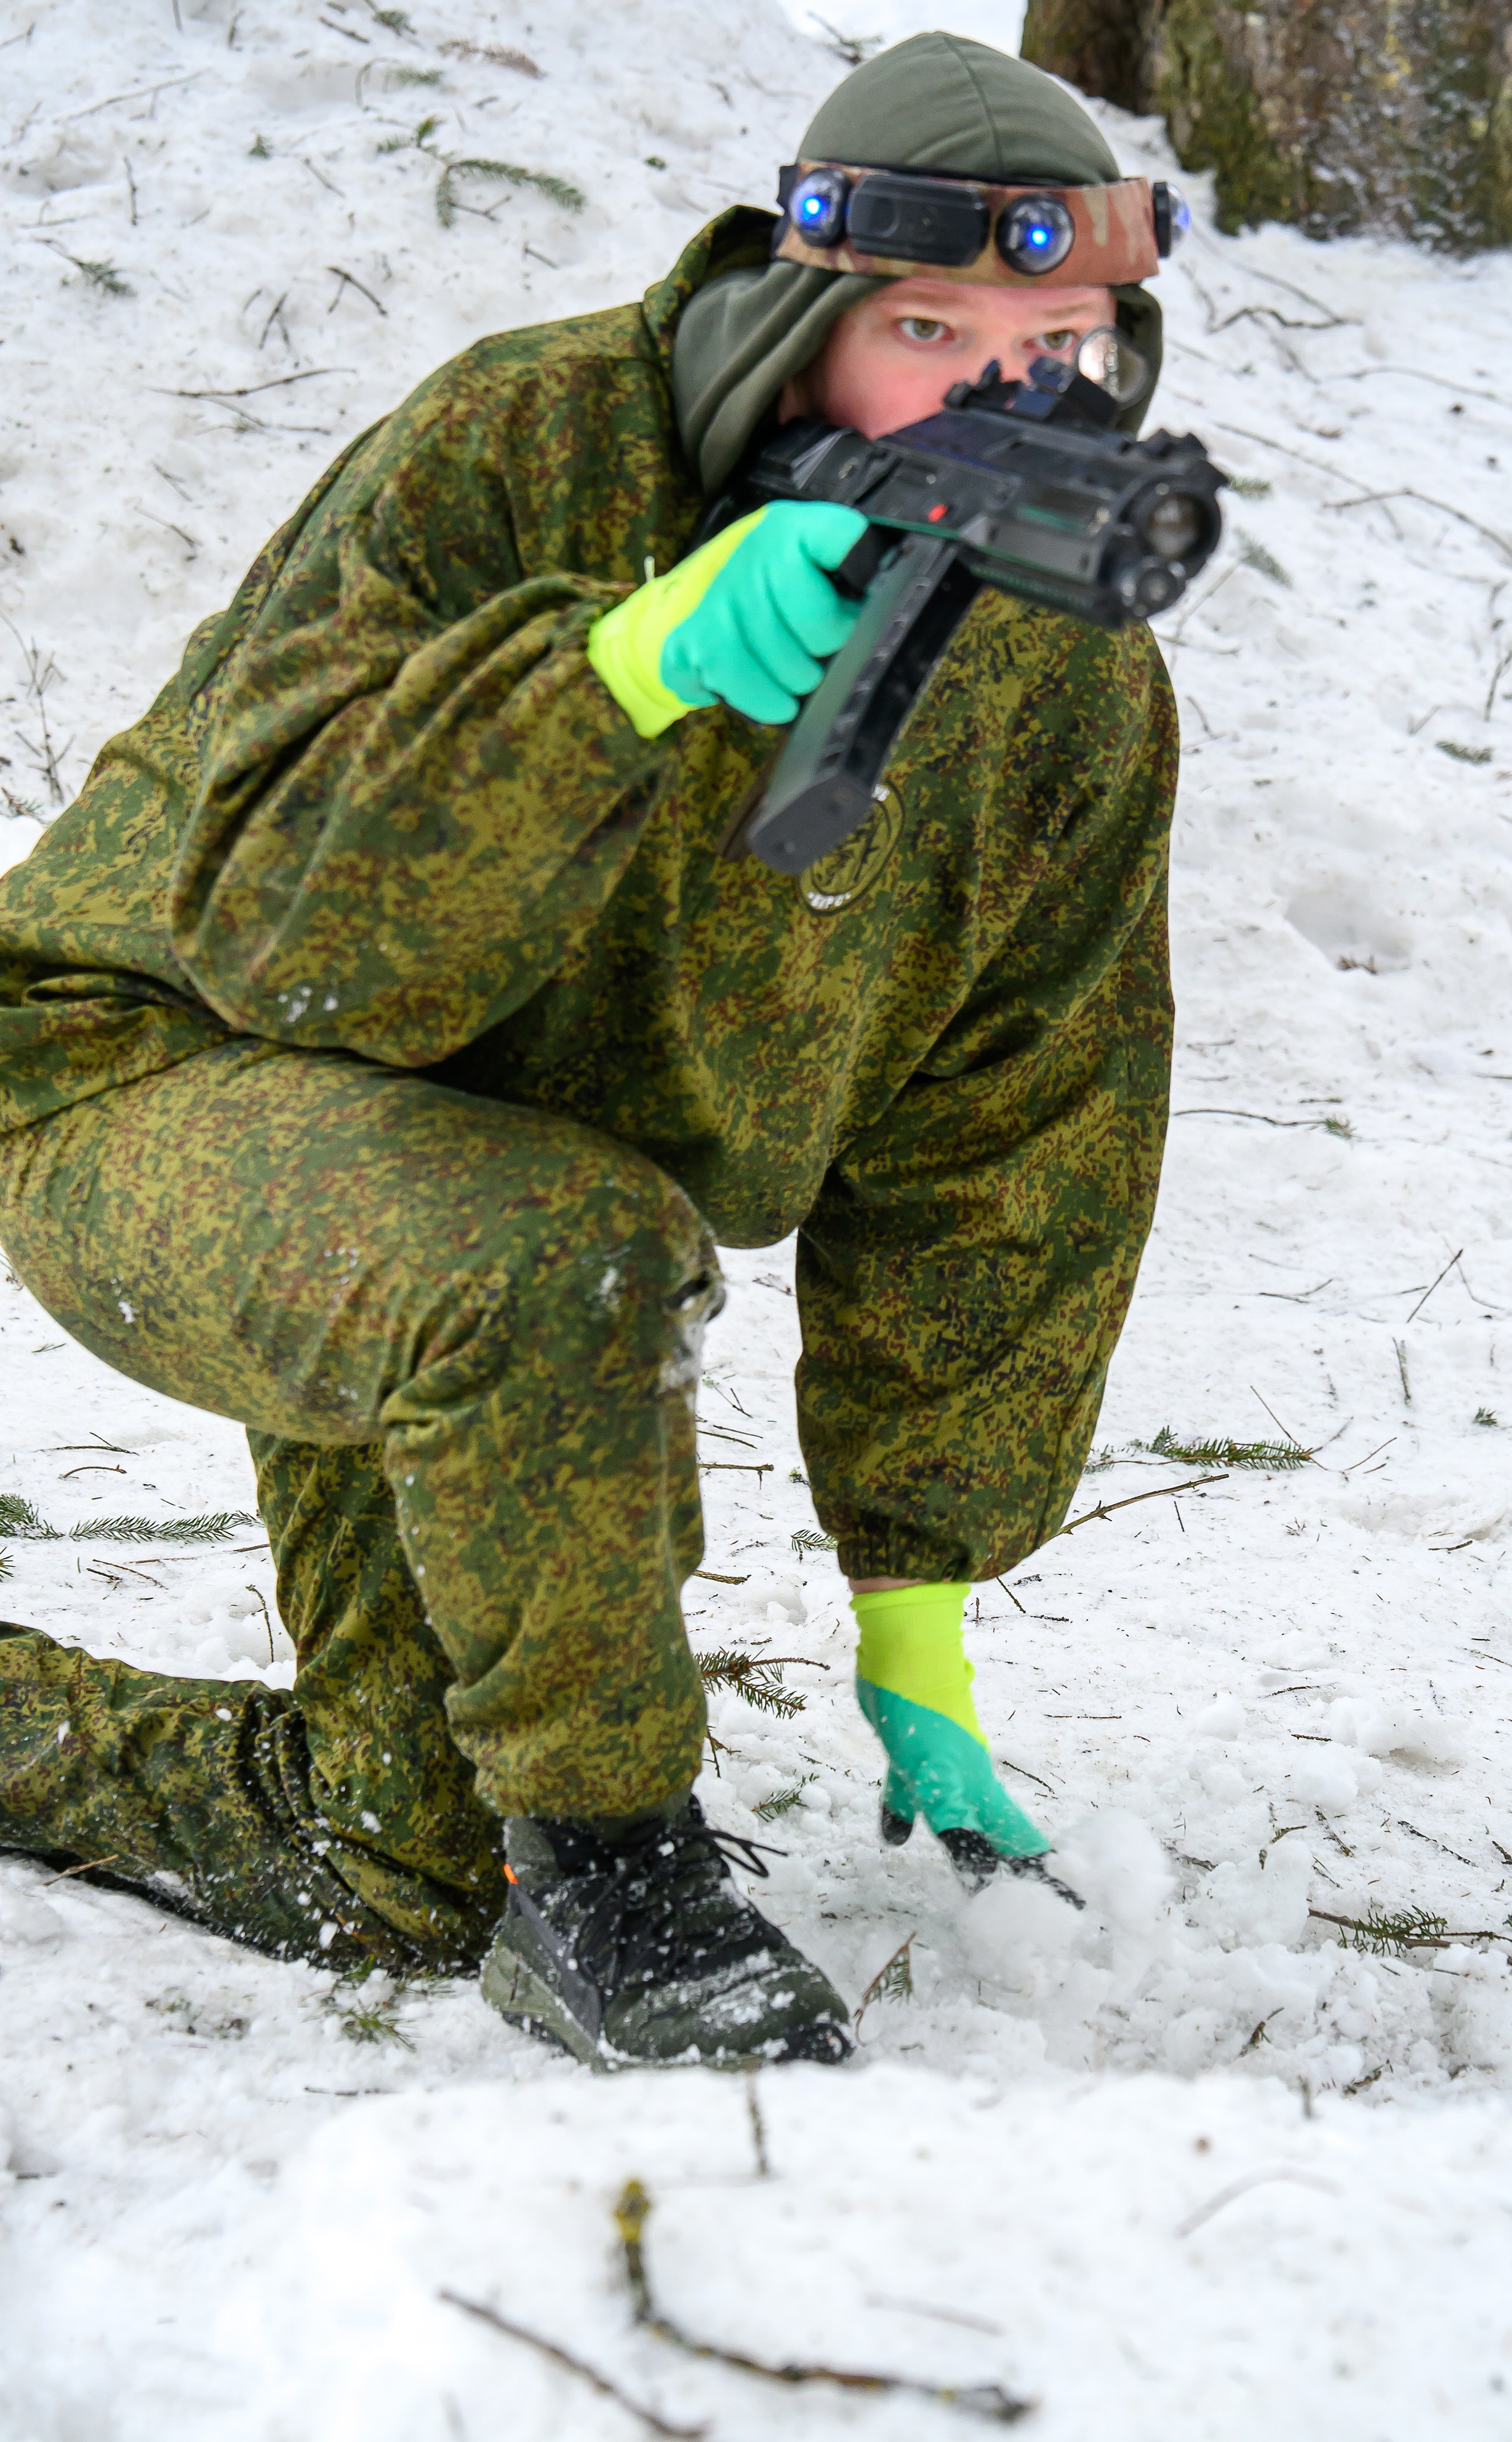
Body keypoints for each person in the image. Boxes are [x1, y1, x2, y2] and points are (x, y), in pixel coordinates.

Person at [0, 34, 1177, 2068]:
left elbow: (1017, 1124)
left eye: (1061, 337)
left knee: (415, 1856)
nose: (1011, 394)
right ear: (808, 314)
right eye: (930, 329)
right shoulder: (529, 446)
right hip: (145, 1067)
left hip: (477, 1178)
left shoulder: (1061, 675)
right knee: (570, 1253)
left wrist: (921, 1599)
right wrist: (618, 669)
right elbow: (288, 934)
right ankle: (625, 1883)